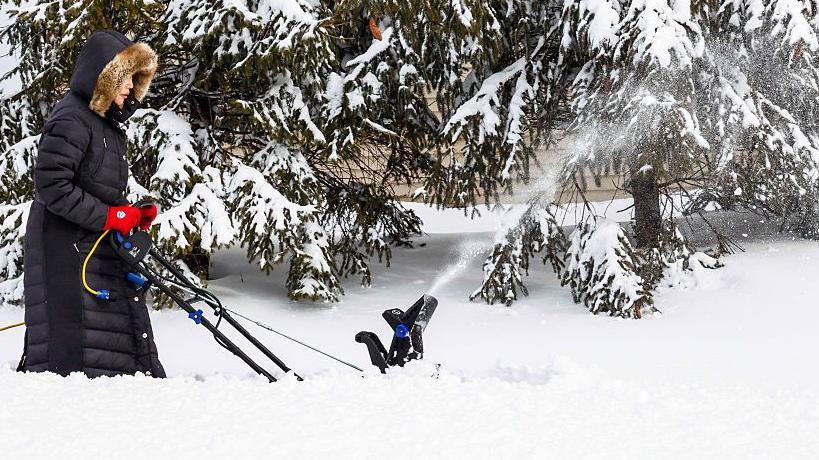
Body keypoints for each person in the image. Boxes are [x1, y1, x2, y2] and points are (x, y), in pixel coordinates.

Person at [18, 30, 165, 378]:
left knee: (113, 345)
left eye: (134, 79)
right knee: (73, 360)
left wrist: (131, 213)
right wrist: (111, 215)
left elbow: (94, 185)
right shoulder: (72, 117)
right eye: (124, 77)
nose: (130, 87)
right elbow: (52, 186)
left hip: (89, 243)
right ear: (103, 77)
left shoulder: (105, 126)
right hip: (64, 250)